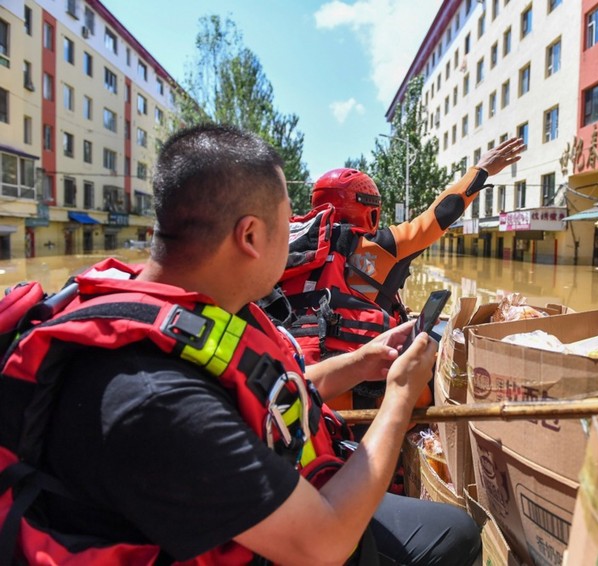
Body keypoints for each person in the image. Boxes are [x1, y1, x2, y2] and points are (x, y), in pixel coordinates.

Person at [0, 124, 481, 565]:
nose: (301, 237)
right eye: (288, 222)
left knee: (453, 530)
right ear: (250, 235)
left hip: (267, 497)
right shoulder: (156, 400)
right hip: (303, 537)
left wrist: (357, 363)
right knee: (452, 538)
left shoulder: (177, 304)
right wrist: (399, 396)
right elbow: (324, 545)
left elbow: (258, 394)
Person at [269, 137, 525, 412]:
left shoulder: (284, 248)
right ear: (371, 212)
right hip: (352, 392)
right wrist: (480, 171)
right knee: (437, 373)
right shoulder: (379, 246)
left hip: (290, 384)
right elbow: (438, 216)